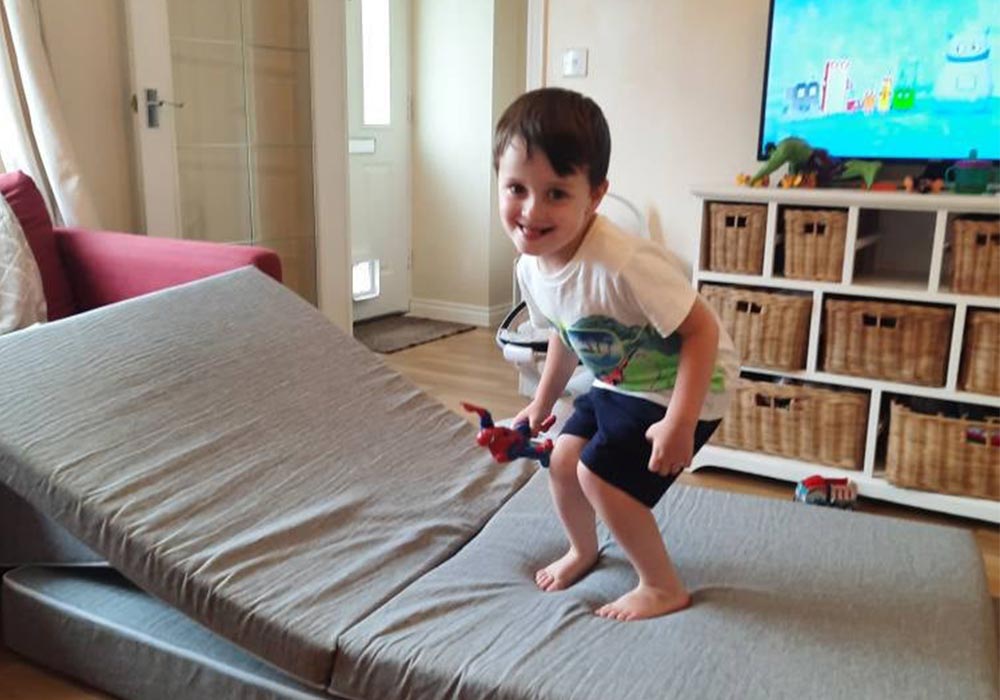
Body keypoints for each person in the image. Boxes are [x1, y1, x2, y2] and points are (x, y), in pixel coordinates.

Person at [494, 87, 738, 621]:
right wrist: (540, 404)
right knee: (562, 459)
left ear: (595, 195)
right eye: (516, 188)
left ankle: (661, 585)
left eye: (557, 193)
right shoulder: (530, 266)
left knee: (597, 474)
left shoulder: (623, 263)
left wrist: (681, 420)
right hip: (618, 380)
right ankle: (584, 549)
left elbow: (701, 331)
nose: (532, 211)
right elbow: (564, 333)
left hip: (687, 384)